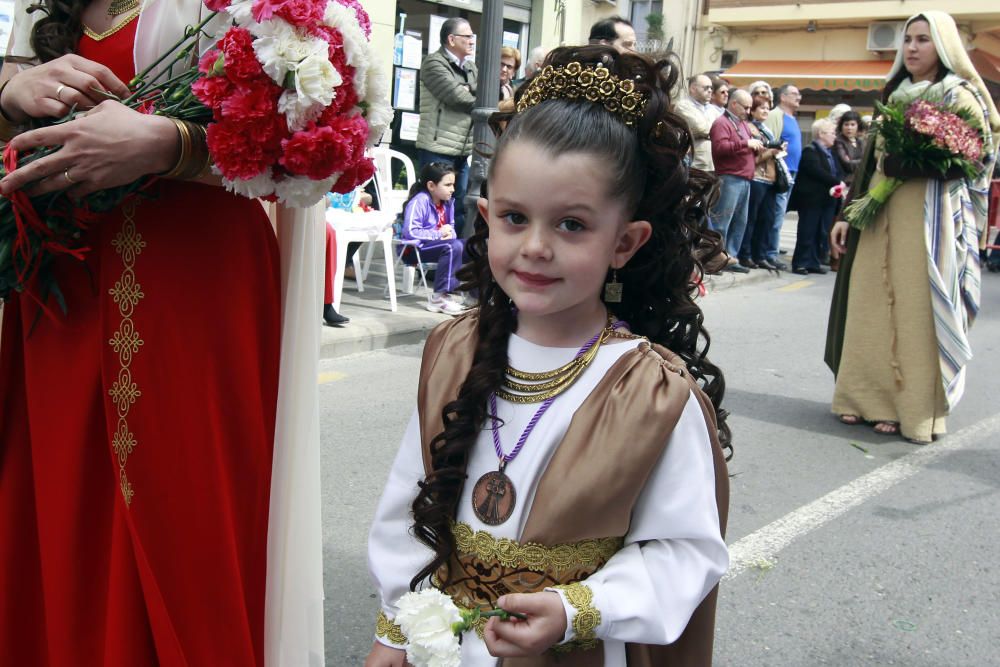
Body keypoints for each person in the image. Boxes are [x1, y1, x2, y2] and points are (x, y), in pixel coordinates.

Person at [365, 45, 730, 667]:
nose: (534, 247)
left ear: (626, 241)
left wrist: (579, 608)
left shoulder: (651, 394)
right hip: (449, 649)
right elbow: (410, 500)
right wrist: (395, 630)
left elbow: (686, 552)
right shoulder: (453, 349)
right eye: (514, 217)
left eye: (571, 226)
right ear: (486, 216)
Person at [0, 0, 328, 663]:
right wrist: (10, 90)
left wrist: (170, 145)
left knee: (185, 525)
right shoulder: (43, 9)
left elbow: (317, 145)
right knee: (64, 519)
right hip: (60, 293)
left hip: (194, 298)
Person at [826, 11, 999, 444]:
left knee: (918, 312)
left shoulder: (959, 95)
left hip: (931, 220)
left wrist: (920, 162)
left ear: (943, 46)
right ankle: (862, 398)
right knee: (869, 305)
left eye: (923, 39)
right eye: (908, 40)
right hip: (880, 216)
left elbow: (977, 161)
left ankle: (913, 410)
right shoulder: (893, 94)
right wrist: (849, 215)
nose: (913, 48)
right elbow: (868, 167)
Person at [417, 17, 478, 236]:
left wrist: (469, 90)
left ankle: (450, 261)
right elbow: (457, 97)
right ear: (451, 39)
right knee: (432, 208)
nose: (472, 41)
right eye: (467, 36)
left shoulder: (470, 67)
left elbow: (478, 94)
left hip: (462, 151)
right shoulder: (434, 63)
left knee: (458, 208)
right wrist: (469, 92)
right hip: (438, 148)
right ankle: (425, 261)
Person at [401, 162, 468, 315]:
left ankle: (474, 296)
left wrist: (450, 234)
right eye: (448, 184)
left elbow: (450, 228)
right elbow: (410, 231)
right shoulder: (420, 201)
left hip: (438, 246)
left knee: (475, 246)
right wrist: (439, 233)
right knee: (453, 247)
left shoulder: (448, 202)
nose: (453, 189)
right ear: (431, 185)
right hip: (413, 250)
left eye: (453, 184)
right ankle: (439, 298)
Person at [709, 88, 763, 272]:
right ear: (734, 104)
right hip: (729, 177)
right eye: (746, 107)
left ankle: (731, 257)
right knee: (722, 221)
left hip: (744, 178)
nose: (748, 111)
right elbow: (719, 148)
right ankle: (715, 259)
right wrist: (745, 143)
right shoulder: (721, 123)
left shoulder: (742, 124)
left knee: (740, 222)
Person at [790, 118, 844, 275]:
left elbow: (837, 170)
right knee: (807, 231)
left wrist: (838, 183)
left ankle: (813, 262)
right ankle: (800, 262)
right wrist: (837, 182)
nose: (835, 136)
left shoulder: (830, 153)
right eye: (832, 133)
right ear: (821, 134)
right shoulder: (810, 151)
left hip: (827, 200)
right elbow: (816, 171)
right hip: (811, 200)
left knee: (821, 232)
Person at [739, 97, 785, 270]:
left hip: (770, 178)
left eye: (768, 108)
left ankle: (761, 255)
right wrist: (772, 151)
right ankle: (746, 254)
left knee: (767, 219)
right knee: (752, 219)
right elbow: (754, 158)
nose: (766, 111)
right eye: (762, 108)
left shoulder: (765, 128)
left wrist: (777, 149)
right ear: (752, 111)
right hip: (757, 177)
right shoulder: (750, 128)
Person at [762, 84, 803, 270]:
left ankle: (772, 250)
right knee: (776, 213)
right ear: (783, 97)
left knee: (780, 213)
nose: (799, 97)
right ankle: (770, 252)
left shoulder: (792, 118)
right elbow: (768, 142)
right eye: (795, 94)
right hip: (779, 171)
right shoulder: (775, 115)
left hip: (790, 171)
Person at [675, 74, 716, 172]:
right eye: (706, 88)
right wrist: (716, 131)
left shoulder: (712, 108)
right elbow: (701, 128)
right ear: (693, 88)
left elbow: (721, 129)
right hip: (695, 165)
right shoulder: (683, 106)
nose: (710, 91)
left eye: (711, 88)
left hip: (713, 164)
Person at [833, 110, 865, 187]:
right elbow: (848, 165)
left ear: (858, 126)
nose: (849, 128)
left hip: (859, 182)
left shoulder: (860, 142)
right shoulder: (838, 141)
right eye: (846, 124)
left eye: (852, 124)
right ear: (841, 126)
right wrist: (864, 161)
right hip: (844, 183)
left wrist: (854, 161)